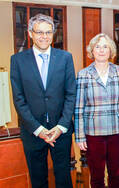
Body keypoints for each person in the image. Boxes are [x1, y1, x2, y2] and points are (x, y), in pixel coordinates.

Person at [10, 14, 76, 188]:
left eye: (48, 32)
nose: (44, 36)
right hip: (33, 131)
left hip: (60, 131)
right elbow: (18, 99)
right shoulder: (17, 60)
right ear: (30, 34)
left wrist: (62, 126)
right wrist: (38, 130)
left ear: (53, 34)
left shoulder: (65, 58)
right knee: (38, 179)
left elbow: (71, 94)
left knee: (64, 178)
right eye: (39, 32)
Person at [74, 33, 119, 188]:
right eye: (97, 47)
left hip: (117, 130)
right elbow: (79, 107)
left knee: (116, 174)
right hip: (93, 133)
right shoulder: (83, 74)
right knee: (96, 176)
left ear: (111, 51)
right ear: (92, 51)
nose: (101, 50)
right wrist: (80, 136)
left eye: (105, 46)